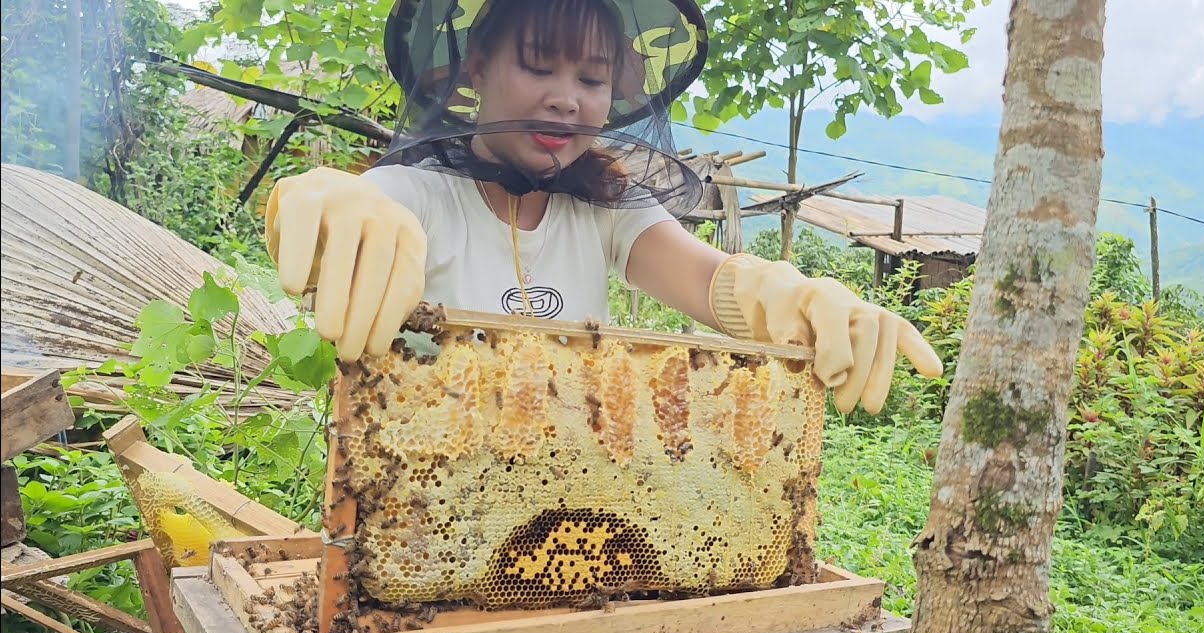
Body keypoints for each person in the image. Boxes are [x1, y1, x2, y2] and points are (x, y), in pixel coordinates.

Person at [264, 0, 942, 415]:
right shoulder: (419, 193)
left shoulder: (608, 207)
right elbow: (362, 211)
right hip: (420, 512)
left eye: (592, 79)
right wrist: (326, 202)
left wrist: (787, 296)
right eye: (538, 67)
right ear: (475, 67)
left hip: (570, 514)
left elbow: (706, 277)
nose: (568, 98)